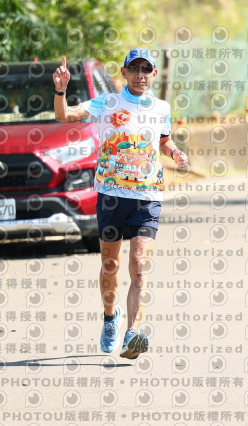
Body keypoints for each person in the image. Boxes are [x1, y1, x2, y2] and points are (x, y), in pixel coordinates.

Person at [53, 49, 188, 359]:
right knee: (110, 265)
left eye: (146, 69)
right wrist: (60, 91)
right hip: (112, 196)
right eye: (134, 68)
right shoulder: (107, 102)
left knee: (139, 266)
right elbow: (64, 115)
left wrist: (175, 152)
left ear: (154, 74)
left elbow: (163, 139)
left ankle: (132, 334)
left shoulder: (162, 108)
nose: (140, 74)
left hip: (148, 196)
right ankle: (110, 317)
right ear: (125, 73)